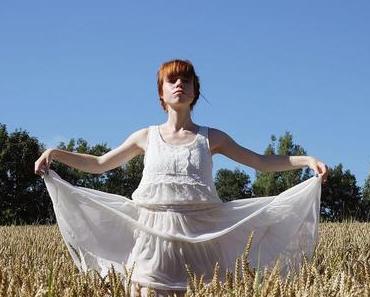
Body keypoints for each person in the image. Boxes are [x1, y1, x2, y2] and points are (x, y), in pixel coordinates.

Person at [35, 59, 328, 297]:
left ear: (195, 92)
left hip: (200, 241)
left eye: (186, 81)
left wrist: (306, 161)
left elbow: (261, 162)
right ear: (161, 93)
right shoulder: (145, 137)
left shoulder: (211, 138)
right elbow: (100, 164)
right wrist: (55, 153)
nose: (179, 85)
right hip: (152, 240)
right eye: (172, 80)